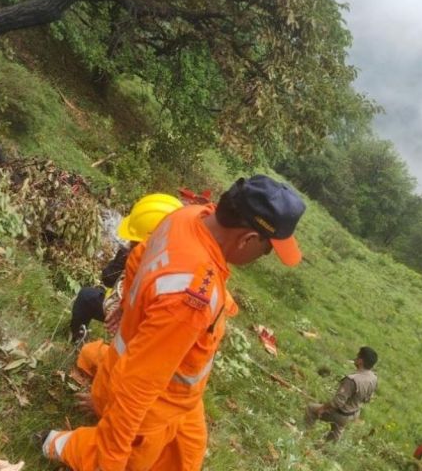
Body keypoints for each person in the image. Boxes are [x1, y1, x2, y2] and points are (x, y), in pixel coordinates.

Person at [43, 175, 306, 471]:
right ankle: (58, 444)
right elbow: (138, 386)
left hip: (178, 389)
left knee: (188, 456)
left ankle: (104, 402)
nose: (263, 256)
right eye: (268, 249)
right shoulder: (191, 299)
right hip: (156, 403)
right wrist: (110, 461)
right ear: (247, 239)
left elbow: (139, 254)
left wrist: (128, 302)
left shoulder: (188, 216)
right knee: (126, 459)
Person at [69, 194, 183, 343]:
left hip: (137, 323)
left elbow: (108, 278)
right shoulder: (180, 263)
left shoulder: (138, 260)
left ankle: (77, 338)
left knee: (86, 297)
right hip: (162, 330)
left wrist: (123, 258)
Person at [305, 346, 379, 443]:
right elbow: (367, 399)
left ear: (360, 361)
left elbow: (337, 403)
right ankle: (330, 445)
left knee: (311, 409)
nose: (355, 358)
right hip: (354, 413)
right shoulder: (373, 378)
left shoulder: (352, 380)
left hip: (342, 414)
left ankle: (305, 435)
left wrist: (322, 408)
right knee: (337, 428)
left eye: (357, 356)